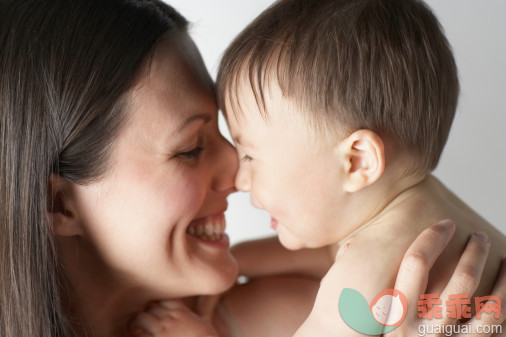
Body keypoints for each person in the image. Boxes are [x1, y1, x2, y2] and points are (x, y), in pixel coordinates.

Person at [0, 1, 503, 337]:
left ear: (357, 160)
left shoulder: (314, 298)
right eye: (190, 148)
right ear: (59, 203)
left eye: (234, 141)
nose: (237, 176)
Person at [212, 0, 506, 335]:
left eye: (249, 156)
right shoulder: (425, 208)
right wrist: (234, 262)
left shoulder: (362, 279)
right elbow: (331, 251)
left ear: (357, 161)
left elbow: (347, 261)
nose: (240, 179)